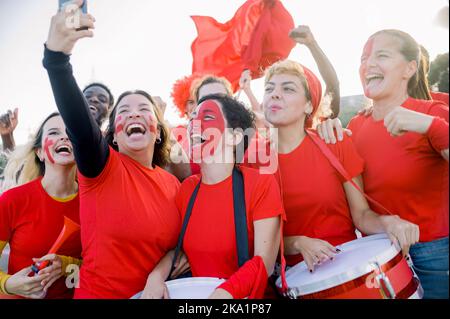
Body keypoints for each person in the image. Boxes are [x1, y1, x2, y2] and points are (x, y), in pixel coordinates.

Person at [43, 5, 182, 298]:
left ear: (158, 130)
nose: (134, 115)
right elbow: (80, 126)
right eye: (124, 111)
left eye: (145, 110)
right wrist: (57, 59)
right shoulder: (102, 167)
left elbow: (174, 246)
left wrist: (157, 276)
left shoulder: (172, 184)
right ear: (113, 135)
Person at [263, 59, 418, 273]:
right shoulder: (254, 158)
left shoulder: (334, 143)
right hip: (295, 279)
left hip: (349, 269)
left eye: (288, 88)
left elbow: (362, 215)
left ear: (309, 105)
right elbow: (257, 238)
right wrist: (298, 242)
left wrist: (389, 223)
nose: (275, 94)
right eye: (269, 88)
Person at [142, 94, 284, 299]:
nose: (193, 124)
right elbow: (180, 252)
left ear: (234, 137)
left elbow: (265, 263)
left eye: (207, 117)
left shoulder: (259, 184)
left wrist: (223, 294)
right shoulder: (186, 189)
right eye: (192, 119)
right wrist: (156, 276)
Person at [346, 29, 448, 299]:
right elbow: (360, 209)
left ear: (409, 68)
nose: (369, 64)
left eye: (382, 55)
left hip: (436, 258)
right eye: (364, 58)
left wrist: (430, 126)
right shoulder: (356, 125)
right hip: (380, 256)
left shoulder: (432, 113)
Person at [0, 112, 81, 299]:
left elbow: (98, 269)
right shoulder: (12, 200)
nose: (64, 136)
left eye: (70, 132)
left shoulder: (94, 203)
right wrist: (8, 284)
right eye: (53, 132)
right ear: (40, 152)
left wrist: (66, 266)